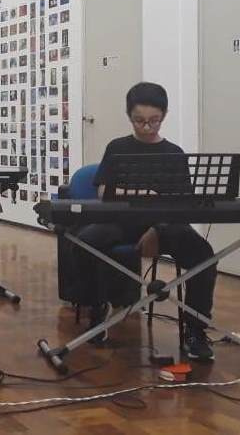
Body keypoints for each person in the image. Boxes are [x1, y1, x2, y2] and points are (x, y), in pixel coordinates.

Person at [76, 82, 217, 360]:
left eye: (154, 120)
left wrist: (157, 230)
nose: (147, 127)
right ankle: (97, 308)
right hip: (120, 222)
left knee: (204, 256)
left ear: (164, 115)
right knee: (85, 242)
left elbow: (179, 204)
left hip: (165, 224)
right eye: (139, 120)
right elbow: (104, 192)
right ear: (129, 116)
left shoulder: (173, 153)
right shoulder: (117, 147)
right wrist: (143, 193)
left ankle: (196, 330)